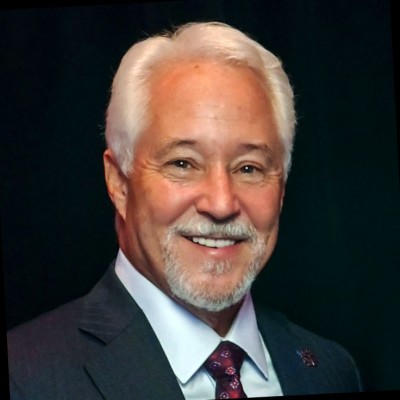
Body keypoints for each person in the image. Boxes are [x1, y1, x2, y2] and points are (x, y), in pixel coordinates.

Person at [6, 21, 363, 399]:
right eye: (182, 163)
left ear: (283, 187)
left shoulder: (332, 370)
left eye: (249, 168)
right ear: (119, 182)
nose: (221, 204)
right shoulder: (25, 377)